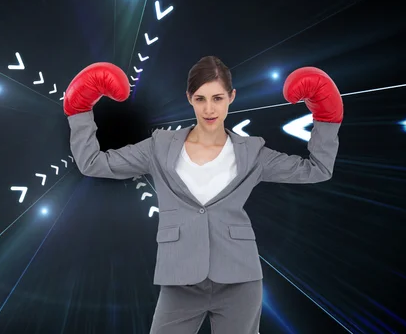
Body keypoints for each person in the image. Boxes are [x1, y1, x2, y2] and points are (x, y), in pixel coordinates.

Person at [64, 56, 343, 334]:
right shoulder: (159, 147)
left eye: (218, 98)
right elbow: (93, 164)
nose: (209, 109)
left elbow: (316, 169)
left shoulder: (252, 152)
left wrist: (326, 117)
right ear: (189, 98)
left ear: (232, 97)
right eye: (200, 99)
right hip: (180, 280)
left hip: (239, 279)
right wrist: (79, 110)